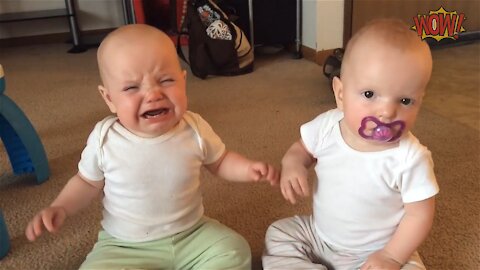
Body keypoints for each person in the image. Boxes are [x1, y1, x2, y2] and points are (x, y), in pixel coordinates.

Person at [25, 24, 278, 269]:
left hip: (192, 234)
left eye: (166, 80)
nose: (153, 93)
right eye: (132, 87)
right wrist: (60, 207)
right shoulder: (105, 138)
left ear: (183, 81)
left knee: (234, 250)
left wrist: (248, 168)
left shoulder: (194, 128)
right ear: (109, 98)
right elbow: (86, 182)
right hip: (124, 247)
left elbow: (220, 161)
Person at [262, 19, 439, 270]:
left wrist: (391, 256)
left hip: (379, 250)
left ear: (420, 101)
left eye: (405, 100)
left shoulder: (410, 158)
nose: (387, 112)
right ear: (341, 94)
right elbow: (301, 149)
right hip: (319, 237)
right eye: (369, 94)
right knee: (278, 233)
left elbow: (420, 215)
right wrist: (292, 164)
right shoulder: (327, 127)